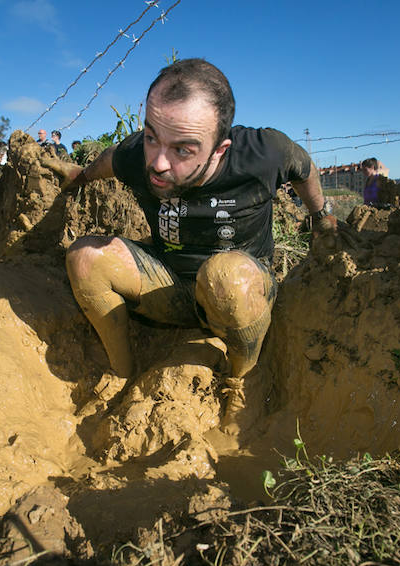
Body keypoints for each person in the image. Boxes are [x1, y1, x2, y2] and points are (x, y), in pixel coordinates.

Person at [44, 58, 339, 429]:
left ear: (220, 149)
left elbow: (305, 168)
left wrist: (322, 216)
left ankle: (241, 380)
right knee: (86, 257)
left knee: (227, 279)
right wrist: (81, 175)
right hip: (170, 284)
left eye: (183, 150)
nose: (159, 163)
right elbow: (111, 160)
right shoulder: (142, 155)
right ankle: (121, 371)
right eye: (152, 137)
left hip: (240, 295)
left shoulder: (263, 153)